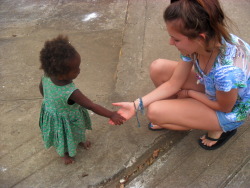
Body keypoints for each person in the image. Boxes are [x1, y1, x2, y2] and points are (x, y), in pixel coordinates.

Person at [112, 0, 250, 150]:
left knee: (154, 111)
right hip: (214, 88)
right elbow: (173, 83)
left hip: (230, 109)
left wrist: (189, 93)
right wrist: (135, 104)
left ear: (200, 37)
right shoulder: (202, 42)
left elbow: (224, 107)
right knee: (158, 67)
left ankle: (221, 128)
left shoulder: (227, 71)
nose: (171, 42)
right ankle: (178, 113)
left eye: (176, 39)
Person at [39, 35, 125, 164]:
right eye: (75, 70)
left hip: (51, 113)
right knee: (65, 136)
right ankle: (65, 154)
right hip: (65, 119)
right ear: (62, 74)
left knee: (67, 133)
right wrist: (111, 114)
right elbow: (91, 106)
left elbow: (41, 89)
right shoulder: (71, 92)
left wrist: (50, 102)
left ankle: (79, 141)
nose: (79, 70)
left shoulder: (47, 75)